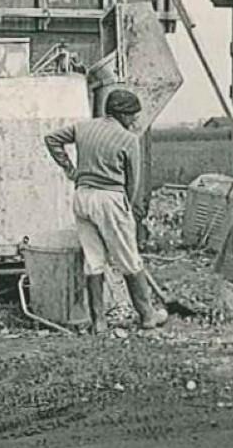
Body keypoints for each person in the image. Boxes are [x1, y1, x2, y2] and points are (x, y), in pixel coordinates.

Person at [44, 88, 168, 334]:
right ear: (121, 114)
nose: (134, 120)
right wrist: (129, 211)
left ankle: (98, 321)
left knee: (93, 260)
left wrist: (70, 170)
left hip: (82, 197)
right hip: (110, 199)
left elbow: (52, 139)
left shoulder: (83, 127)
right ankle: (148, 315)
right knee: (130, 260)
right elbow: (133, 183)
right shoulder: (129, 139)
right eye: (132, 114)